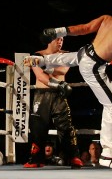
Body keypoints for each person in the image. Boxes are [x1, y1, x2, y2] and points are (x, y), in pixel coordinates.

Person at [23, 1, 112, 172]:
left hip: (85, 51)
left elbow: (83, 28)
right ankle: (108, 156)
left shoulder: (107, 19)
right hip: (94, 65)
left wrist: (59, 31)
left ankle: (43, 60)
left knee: (75, 57)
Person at [23, 37, 83, 168]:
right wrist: (43, 65)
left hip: (59, 94)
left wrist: (43, 64)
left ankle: (73, 157)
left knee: (66, 125)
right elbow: (40, 76)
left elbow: (63, 70)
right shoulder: (37, 54)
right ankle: (36, 159)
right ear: (49, 40)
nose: (60, 41)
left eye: (62, 39)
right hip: (41, 93)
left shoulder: (66, 54)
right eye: (57, 39)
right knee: (38, 126)